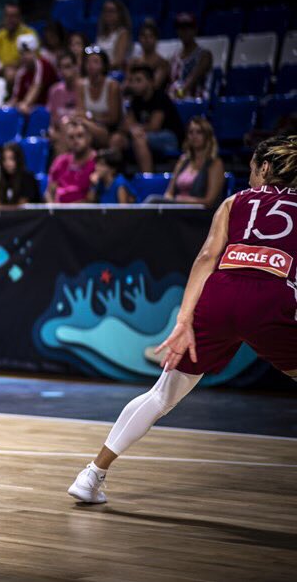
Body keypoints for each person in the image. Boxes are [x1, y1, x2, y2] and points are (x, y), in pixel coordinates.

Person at [68, 135, 297, 504]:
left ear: (265, 168)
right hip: (272, 299)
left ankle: (91, 475)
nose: (251, 178)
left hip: (219, 295)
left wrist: (184, 319)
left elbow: (207, 257)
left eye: (253, 170)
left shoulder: (234, 201)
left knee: (162, 394)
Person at [113, 64, 185, 174]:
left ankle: (147, 179)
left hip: (169, 137)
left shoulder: (160, 97)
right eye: (132, 81)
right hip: (144, 135)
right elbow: (127, 125)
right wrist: (132, 129)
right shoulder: (135, 99)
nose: (134, 84)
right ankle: (116, 181)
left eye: (138, 80)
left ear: (151, 82)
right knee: (117, 139)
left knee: (139, 140)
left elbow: (154, 126)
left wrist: (135, 130)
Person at [155, 116, 225, 208]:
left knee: (153, 200)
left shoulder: (215, 163)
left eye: (199, 132)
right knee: (155, 203)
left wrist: (184, 201)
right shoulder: (183, 160)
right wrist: (170, 201)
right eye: (191, 132)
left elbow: (210, 201)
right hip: (177, 210)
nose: (194, 136)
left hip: (199, 212)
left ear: (207, 136)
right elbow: (169, 193)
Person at [74, 47, 121, 148]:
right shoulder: (80, 85)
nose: (90, 65)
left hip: (108, 131)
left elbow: (113, 118)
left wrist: (90, 117)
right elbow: (80, 113)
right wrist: (97, 116)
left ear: (104, 66)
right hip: (86, 127)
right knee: (69, 126)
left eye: (95, 61)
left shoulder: (112, 86)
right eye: (88, 62)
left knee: (78, 130)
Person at [6, 33, 58, 116]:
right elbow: (15, 98)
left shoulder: (43, 64)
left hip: (50, 110)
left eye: (27, 52)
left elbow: (36, 87)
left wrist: (25, 104)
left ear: (34, 51)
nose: (24, 56)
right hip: (32, 111)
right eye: (21, 53)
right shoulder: (21, 73)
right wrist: (5, 108)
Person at [46, 117, 96, 203]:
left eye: (80, 136)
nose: (75, 140)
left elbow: (92, 198)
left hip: (84, 213)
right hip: (58, 213)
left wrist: (69, 210)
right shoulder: (60, 161)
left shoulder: (97, 162)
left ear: (89, 138)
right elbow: (49, 192)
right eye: (71, 137)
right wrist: (52, 208)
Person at [168, 12, 212, 99]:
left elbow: (191, 81)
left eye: (188, 28)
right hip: (176, 101)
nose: (184, 32)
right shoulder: (174, 58)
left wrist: (178, 94)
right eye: (180, 28)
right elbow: (172, 83)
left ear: (195, 30)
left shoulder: (204, 55)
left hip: (197, 101)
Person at [47, 51, 80, 153]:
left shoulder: (84, 89)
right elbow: (52, 123)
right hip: (60, 135)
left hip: (79, 134)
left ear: (76, 67)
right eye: (62, 68)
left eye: (68, 66)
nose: (65, 71)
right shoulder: (54, 91)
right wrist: (52, 132)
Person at [127, 18, 169, 93]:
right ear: (139, 39)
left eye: (150, 36)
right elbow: (127, 84)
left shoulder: (162, 64)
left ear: (156, 39)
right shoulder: (133, 63)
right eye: (144, 36)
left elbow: (154, 85)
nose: (147, 39)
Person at [0, 141, 41, 207]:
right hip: (8, 216)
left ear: (18, 159)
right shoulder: (2, 178)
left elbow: (22, 206)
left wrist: (1, 208)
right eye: (4, 159)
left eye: (11, 159)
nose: (7, 163)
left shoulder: (27, 178)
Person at [94, 0, 131, 70]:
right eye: (105, 11)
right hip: (99, 71)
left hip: (113, 72)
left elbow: (118, 61)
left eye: (111, 11)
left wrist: (99, 68)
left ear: (119, 14)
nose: (108, 14)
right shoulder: (101, 34)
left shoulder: (122, 33)